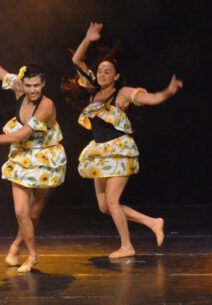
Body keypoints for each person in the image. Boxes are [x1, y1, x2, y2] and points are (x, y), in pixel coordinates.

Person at [64, 22, 182, 258]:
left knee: (113, 200)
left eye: (108, 71)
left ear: (116, 76)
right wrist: (88, 38)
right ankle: (152, 222)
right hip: (99, 152)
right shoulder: (92, 91)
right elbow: (77, 60)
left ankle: (127, 246)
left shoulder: (123, 93)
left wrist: (167, 93)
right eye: (100, 71)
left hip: (118, 150)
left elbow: (151, 99)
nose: (102, 73)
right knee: (105, 207)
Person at [0, 30, 66, 272]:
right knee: (20, 211)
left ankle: (17, 245)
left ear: (43, 84)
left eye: (36, 85)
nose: (32, 90)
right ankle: (32, 254)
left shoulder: (47, 106)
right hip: (22, 155)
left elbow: (19, 135)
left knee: (34, 212)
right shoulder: (19, 89)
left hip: (46, 157)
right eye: (28, 85)